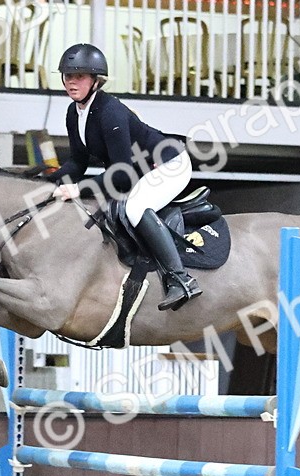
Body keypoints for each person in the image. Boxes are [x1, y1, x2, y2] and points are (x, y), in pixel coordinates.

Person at [44, 43, 201, 311]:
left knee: (135, 207)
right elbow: (77, 162)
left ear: (96, 81)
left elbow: (122, 177)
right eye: (68, 76)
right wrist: (49, 182)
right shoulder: (74, 112)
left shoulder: (110, 112)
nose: (71, 82)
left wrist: (78, 189)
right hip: (137, 168)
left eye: (79, 76)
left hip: (168, 164)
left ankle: (180, 279)